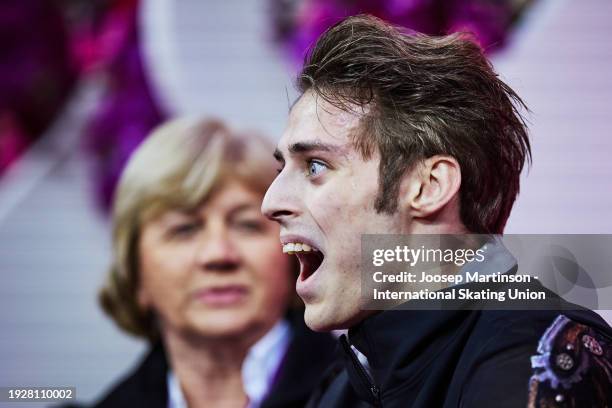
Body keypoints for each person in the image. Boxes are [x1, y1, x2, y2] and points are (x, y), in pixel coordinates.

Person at [262, 15, 612, 407]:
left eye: (315, 166)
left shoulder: (543, 360)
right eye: (281, 170)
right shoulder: (344, 385)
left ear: (429, 187)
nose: (270, 202)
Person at [89, 118, 336, 408]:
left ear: (295, 255)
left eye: (246, 225)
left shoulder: (378, 395)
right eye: (184, 230)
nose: (218, 254)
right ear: (136, 274)